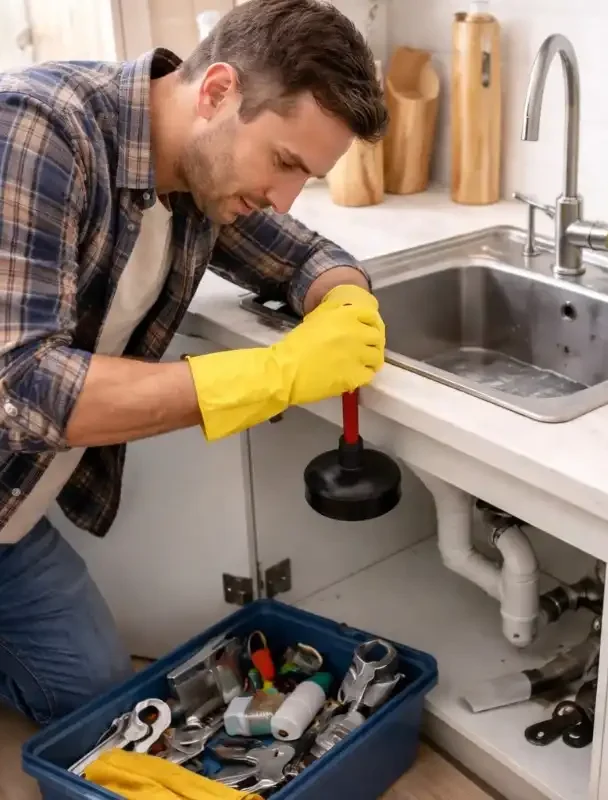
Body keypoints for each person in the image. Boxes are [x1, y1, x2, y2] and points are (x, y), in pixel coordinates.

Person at [0, 0, 387, 739]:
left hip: (9, 513)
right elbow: (19, 385)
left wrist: (345, 307)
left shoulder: (201, 174)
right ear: (216, 92)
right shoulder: (38, 129)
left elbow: (309, 254)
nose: (282, 197)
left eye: (306, 174)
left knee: (106, 708)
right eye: (284, 162)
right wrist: (270, 376)